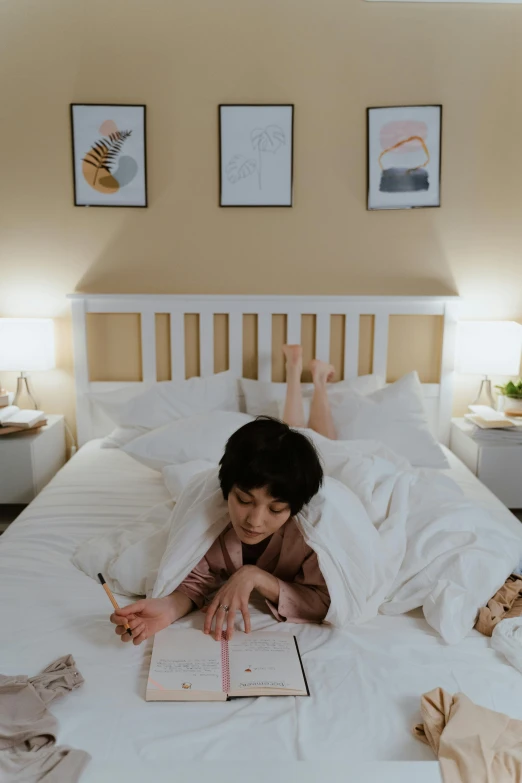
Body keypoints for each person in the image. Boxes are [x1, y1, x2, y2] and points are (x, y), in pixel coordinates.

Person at [110, 346, 338, 645]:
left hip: (324, 462)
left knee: (323, 442)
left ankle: (317, 381)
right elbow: (196, 581)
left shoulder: (308, 531)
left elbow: (326, 600)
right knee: (293, 434)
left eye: (277, 509)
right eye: (244, 501)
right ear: (227, 490)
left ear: (293, 508)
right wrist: (166, 610)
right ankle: (297, 372)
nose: (255, 521)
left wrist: (254, 576)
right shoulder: (213, 517)